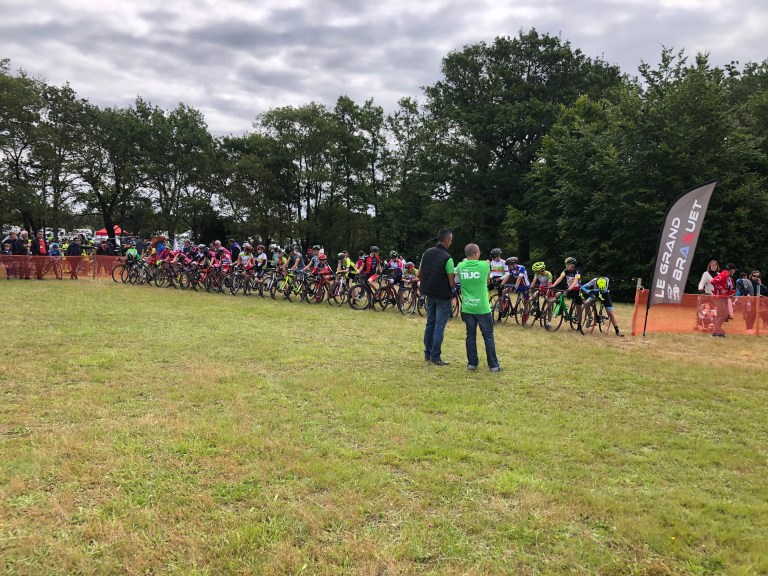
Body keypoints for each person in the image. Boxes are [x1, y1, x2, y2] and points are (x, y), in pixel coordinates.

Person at [455, 244, 501, 372]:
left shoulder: (460, 266)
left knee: (470, 335)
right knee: (488, 336)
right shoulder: (484, 265)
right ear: (475, 253)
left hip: (467, 307)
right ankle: (494, 365)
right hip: (482, 307)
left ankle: (472, 363)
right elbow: (487, 280)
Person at [418, 229, 455, 366]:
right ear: (446, 240)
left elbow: (419, 273)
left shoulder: (426, 253)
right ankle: (435, 356)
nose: (451, 243)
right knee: (439, 325)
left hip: (429, 293)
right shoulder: (447, 258)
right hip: (442, 296)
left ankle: (427, 353)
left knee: (430, 323)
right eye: (451, 240)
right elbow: (451, 282)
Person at [710, 263, 737, 337]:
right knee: (723, 315)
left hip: (725, 298)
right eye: (734, 270)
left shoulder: (729, 278)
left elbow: (729, 289)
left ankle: (718, 332)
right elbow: (713, 281)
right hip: (720, 297)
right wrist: (721, 289)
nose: (734, 272)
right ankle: (716, 332)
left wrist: (732, 293)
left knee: (721, 315)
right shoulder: (723, 275)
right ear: (731, 270)